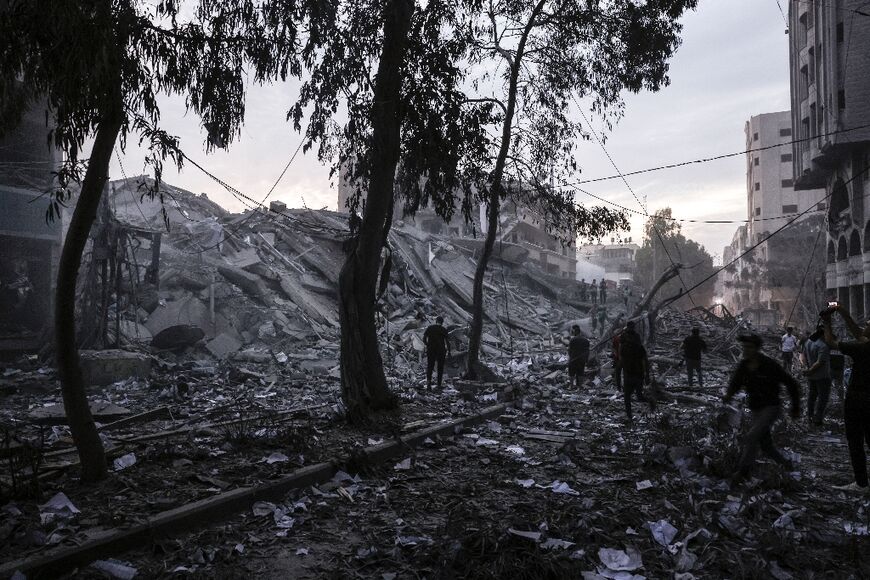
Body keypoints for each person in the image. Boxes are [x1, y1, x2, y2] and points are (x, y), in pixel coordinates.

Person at [723, 333, 800, 484]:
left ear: (757, 349)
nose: (746, 350)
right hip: (756, 409)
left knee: (752, 436)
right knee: (765, 445)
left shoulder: (769, 365)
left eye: (749, 347)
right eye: (744, 347)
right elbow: (735, 383)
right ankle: (785, 464)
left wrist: (795, 407)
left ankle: (743, 472)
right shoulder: (744, 366)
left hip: (771, 407)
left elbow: (791, 383)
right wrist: (729, 396)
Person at [821, 306, 870, 492]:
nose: (864, 326)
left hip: (857, 399)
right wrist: (841, 311)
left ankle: (861, 483)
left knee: (855, 440)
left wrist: (826, 322)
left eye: (868, 324)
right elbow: (858, 332)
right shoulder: (865, 344)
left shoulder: (861, 348)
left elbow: (831, 342)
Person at [614, 321, 652, 423]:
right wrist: (647, 375)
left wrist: (618, 384)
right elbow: (646, 362)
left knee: (627, 397)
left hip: (629, 376)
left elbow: (618, 369)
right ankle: (652, 404)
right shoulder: (640, 348)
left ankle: (630, 416)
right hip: (639, 376)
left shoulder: (624, 351)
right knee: (639, 396)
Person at [802, 324, 831, 426]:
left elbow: (803, 356)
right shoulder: (823, 345)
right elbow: (820, 362)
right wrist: (810, 370)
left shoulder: (808, 342)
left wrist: (806, 368)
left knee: (812, 396)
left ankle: (809, 416)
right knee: (823, 398)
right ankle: (817, 419)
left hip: (811, 376)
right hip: (822, 376)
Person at [423, 316, 451, 389]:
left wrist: (428, 345)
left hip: (431, 349)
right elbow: (447, 342)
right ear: (442, 322)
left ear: (436, 321)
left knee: (430, 366)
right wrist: (449, 351)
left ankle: (428, 384)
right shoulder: (444, 329)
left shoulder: (430, 328)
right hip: (441, 350)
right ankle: (439, 385)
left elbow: (424, 338)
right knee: (440, 367)